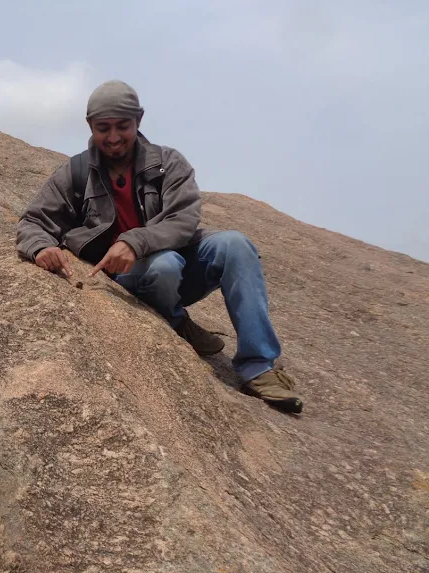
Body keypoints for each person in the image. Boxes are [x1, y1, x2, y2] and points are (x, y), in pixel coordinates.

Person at [16, 80, 303, 413]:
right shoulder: (77, 172)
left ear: (139, 119)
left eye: (122, 126)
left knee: (236, 245)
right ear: (90, 125)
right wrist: (40, 248)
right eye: (103, 128)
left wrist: (135, 240)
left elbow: (184, 218)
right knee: (164, 264)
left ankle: (259, 367)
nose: (113, 137)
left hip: (178, 266)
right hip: (129, 278)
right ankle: (177, 322)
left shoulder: (168, 163)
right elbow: (33, 220)